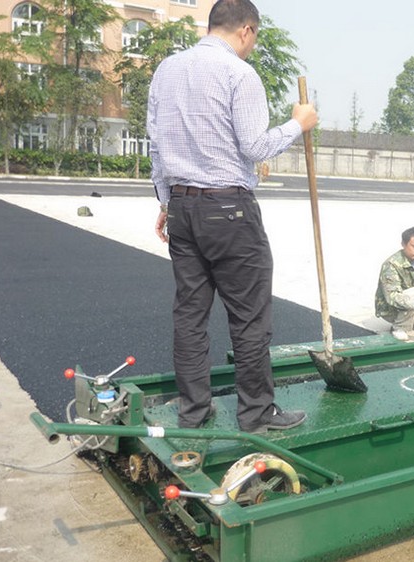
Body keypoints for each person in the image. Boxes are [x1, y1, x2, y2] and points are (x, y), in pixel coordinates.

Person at [147, 0, 317, 433]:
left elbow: (156, 146)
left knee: (189, 315)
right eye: (254, 38)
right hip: (228, 210)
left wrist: (167, 202)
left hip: (183, 208)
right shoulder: (239, 74)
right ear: (246, 30)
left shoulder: (167, 69)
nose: (252, 47)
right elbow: (255, 147)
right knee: (249, 318)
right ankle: (256, 415)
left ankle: (194, 411)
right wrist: (299, 123)